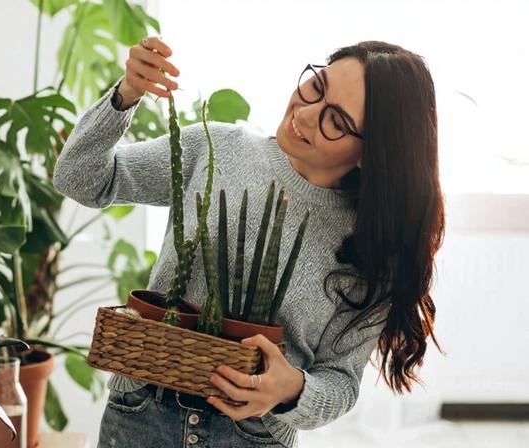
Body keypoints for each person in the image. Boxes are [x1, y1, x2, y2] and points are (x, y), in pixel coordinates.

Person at [52, 37, 444, 448]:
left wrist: (291, 388)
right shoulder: (217, 148)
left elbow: (342, 381)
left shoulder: (373, 246)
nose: (306, 114)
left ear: (371, 152)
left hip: (253, 436)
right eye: (317, 86)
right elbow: (80, 178)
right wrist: (125, 94)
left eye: (336, 120)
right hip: (141, 411)